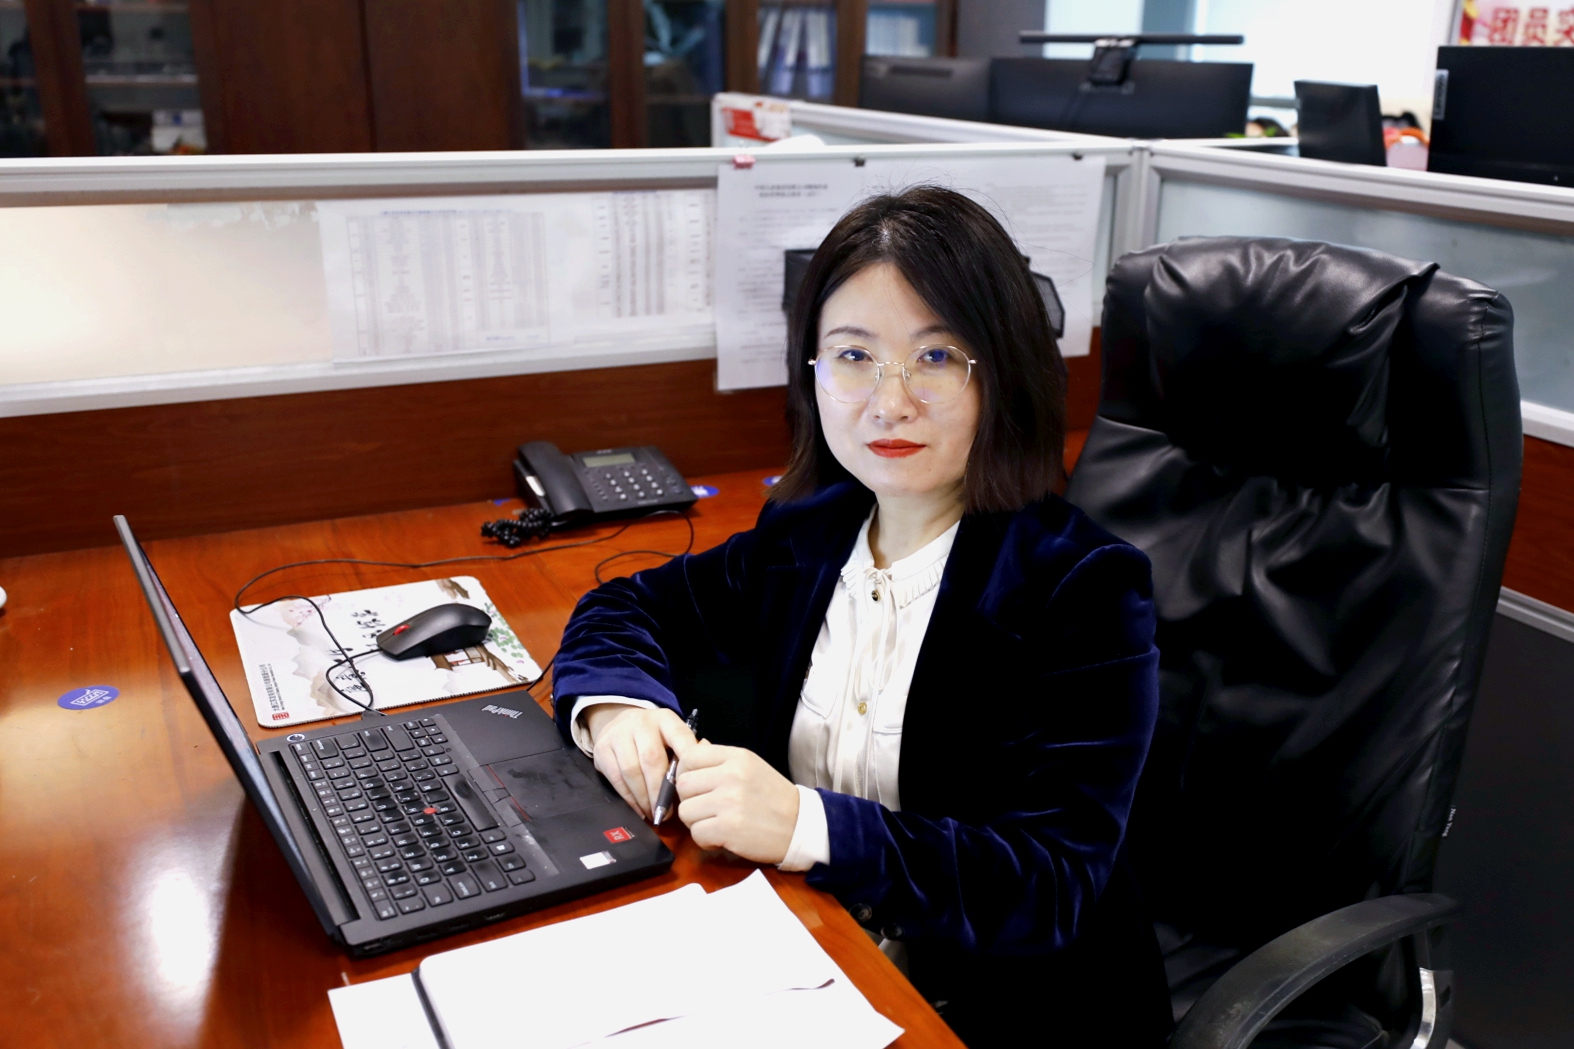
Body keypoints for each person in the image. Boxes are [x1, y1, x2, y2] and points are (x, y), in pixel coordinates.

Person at [552, 186, 1171, 1045]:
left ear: (1002, 372)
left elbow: (1052, 884)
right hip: (807, 951)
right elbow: (626, 604)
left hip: (999, 1007)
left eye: (936, 356)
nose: (889, 401)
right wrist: (618, 704)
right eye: (853, 355)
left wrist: (805, 823)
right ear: (813, 372)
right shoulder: (806, 534)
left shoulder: (1083, 587)